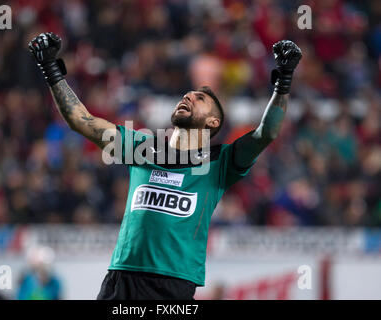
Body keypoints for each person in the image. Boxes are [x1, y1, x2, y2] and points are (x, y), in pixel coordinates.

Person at [28, 32, 302, 300]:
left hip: (173, 285)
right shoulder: (141, 147)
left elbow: (266, 133)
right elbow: (81, 121)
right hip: (121, 277)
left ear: (213, 123)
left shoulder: (220, 162)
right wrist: (51, 68)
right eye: (188, 94)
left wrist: (283, 82)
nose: (188, 97)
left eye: (200, 99)